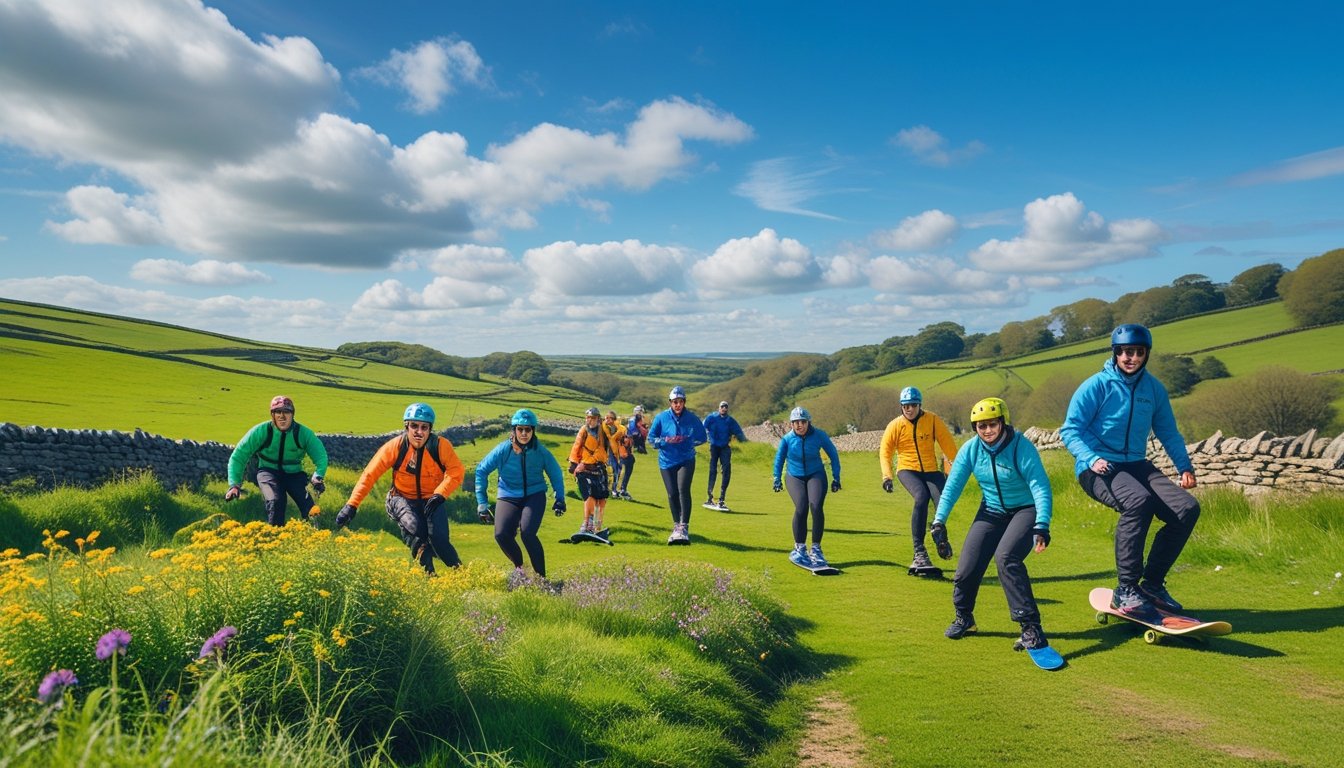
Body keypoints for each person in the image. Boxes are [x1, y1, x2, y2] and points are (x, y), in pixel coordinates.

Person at [1059, 323, 1200, 618]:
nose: (1130, 357)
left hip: (1136, 464)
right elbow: (1071, 430)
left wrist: (1184, 466)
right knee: (1138, 502)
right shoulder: (1096, 385)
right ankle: (1126, 588)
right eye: (1124, 352)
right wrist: (1091, 458)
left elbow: (1169, 432)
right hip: (1096, 466)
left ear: (1145, 354)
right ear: (1115, 353)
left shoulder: (1154, 390)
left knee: (1186, 508)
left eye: (1137, 352)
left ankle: (1151, 584)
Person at [932, 398, 1054, 653]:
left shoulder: (1021, 446)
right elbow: (953, 486)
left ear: (1003, 423)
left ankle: (1031, 628)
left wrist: (1042, 524)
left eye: (992, 424)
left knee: (1006, 558)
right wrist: (939, 520)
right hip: (991, 510)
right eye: (981, 426)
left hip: (1025, 509)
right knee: (967, 566)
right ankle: (964, 618)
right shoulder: (971, 450)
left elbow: (1040, 486)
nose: (987, 431)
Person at [335, 403, 466, 574]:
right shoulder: (395, 446)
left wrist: (440, 494)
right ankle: (430, 578)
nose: (418, 432)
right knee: (415, 530)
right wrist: (352, 505)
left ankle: (463, 575)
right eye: (414, 426)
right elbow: (370, 474)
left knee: (440, 540)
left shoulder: (441, 446)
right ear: (406, 426)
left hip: (433, 498)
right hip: (401, 498)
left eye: (424, 427)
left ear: (430, 429)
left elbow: (456, 471)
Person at [474, 409, 567, 580]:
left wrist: (560, 498)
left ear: (533, 430)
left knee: (528, 533)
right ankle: (521, 570)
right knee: (501, 534)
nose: (524, 433)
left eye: (528, 429)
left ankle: (541, 580)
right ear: (514, 430)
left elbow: (555, 473)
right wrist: (482, 503)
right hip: (508, 494)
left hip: (534, 494)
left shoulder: (540, 451)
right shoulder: (503, 450)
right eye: (520, 429)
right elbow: (481, 471)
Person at [879, 386, 959, 570]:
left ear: (919, 405)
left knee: (943, 500)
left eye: (913, 405)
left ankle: (939, 534)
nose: (909, 409)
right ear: (901, 406)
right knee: (921, 497)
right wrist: (887, 476)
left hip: (931, 470)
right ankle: (919, 550)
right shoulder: (895, 426)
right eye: (905, 406)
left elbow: (949, 446)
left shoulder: (932, 420)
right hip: (907, 469)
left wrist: (957, 469)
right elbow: (885, 452)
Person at [224, 395, 329, 526]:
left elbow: (321, 456)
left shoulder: (303, 433)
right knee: (275, 501)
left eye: (286, 412)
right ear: (272, 415)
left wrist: (318, 475)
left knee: (310, 508)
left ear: (293, 414)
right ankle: (275, 537)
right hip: (268, 472)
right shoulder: (260, 431)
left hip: (294, 474)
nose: (282, 416)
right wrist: (234, 485)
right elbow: (239, 456)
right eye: (277, 412)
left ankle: (316, 537)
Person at [772, 407, 841, 568]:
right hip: (794, 476)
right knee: (801, 507)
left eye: (803, 422)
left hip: (816, 474)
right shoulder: (787, 439)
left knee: (816, 506)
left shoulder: (819, 435)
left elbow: (833, 455)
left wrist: (836, 477)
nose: (799, 425)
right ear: (791, 424)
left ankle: (816, 549)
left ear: (808, 422)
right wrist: (777, 478)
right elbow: (779, 459)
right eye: (795, 423)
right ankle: (800, 548)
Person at [647, 386, 707, 543]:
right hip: (666, 461)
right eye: (674, 402)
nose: (677, 405)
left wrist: (687, 441)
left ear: (684, 402)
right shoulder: (661, 418)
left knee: (683, 490)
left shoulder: (692, 418)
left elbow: (702, 437)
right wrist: (665, 441)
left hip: (686, 459)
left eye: (680, 402)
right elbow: (651, 439)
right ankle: (676, 525)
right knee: (672, 493)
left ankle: (684, 526)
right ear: (670, 403)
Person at [569, 407, 616, 535]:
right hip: (585, 468)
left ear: (598, 419)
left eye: (593, 418)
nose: (590, 420)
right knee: (589, 496)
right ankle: (587, 523)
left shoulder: (604, 430)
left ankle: (597, 527)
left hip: (600, 468)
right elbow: (576, 446)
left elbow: (615, 432)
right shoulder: (583, 430)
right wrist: (574, 464)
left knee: (601, 499)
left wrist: (611, 424)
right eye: (588, 417)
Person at [702, 400, 748, 510]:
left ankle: (721, 499)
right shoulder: (712, 417)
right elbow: (703, 427)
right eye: (722, 407)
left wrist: (747, 443)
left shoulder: (730, 421)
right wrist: (706, 437)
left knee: (726, 470)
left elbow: (739, 433)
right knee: (713, 470)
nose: (724, 409)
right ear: (719, 408)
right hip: (714, 446)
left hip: (724, 447)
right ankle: (710, 498)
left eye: (726, 407)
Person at [618, 405, 648, 499]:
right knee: (624, 467)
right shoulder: (633, 420)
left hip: (628, 447)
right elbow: (634, 433)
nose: (641, 413)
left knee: (628, 465)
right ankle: (620, 489)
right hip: (625, 447)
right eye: (640, 412)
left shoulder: (638, 420)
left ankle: (621, 488)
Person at [601, 410, 632, 500]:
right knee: (612, 470)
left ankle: (615, 490)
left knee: (618, 470)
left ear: (613, 419)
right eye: (606, 417)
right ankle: (612, 490)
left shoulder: (619, 428)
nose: (606, 419)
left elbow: (621, 438)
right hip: (608, 451)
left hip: (617, 451)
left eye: (609, 418)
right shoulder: (603, 427)